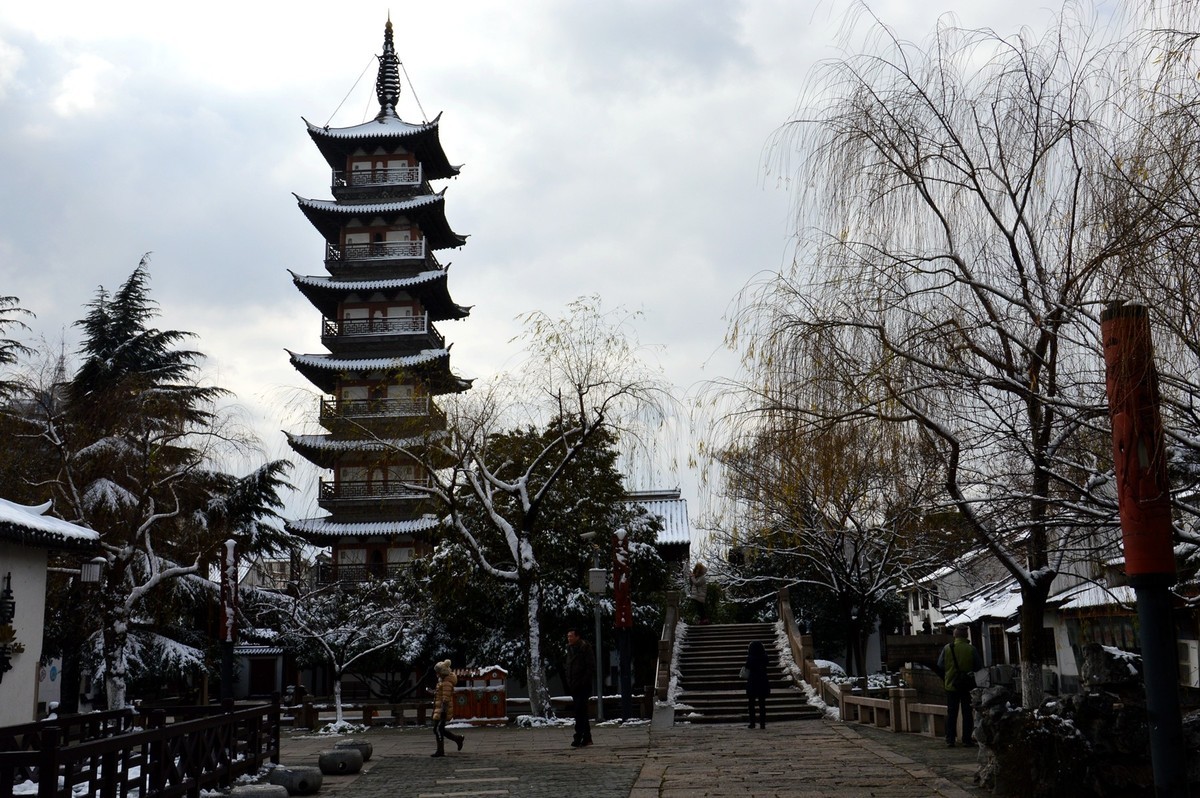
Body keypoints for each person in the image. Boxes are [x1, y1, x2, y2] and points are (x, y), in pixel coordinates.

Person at [936, 625, 982, 747]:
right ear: (966, 635)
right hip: (967, 685)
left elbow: (940, 665)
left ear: (955, 635)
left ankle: (950, 739)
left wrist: (950, 670)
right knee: (967, 712)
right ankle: (966, 739)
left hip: (951, 684)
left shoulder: (947, 648)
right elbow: (978, 666)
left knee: (952, 712)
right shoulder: (971, 649)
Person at [565, 628, 595, 748]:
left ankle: (579, 736)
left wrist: (583, 682)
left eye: (571, 636)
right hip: (574, 685)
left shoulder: (584, 648)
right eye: (568, 636)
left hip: (582, 686)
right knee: (581, 712)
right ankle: (587, 737)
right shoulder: (570, 649)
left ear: (577, 636)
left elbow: (590, 667)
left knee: (579, 711)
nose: (569, 638)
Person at [430, 659, 465, 757]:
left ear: (441, 672)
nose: (436, 674)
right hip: (440, 708)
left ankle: (440, 750)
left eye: (437, 672)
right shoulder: (443, 681)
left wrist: (443, 711)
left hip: (443, 709)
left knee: (437, 729)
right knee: (439, 729)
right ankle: (458, 739)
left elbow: (445, 698)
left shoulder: (446, 683)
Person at [744, 640, 771, 729]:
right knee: (762, 704)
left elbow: (747, 667)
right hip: (762, 681)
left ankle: (752, 723)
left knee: (751, 704)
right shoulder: (764, 656)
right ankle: (762, 723)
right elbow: (767, 663)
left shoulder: (750, 657)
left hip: (752, 682)